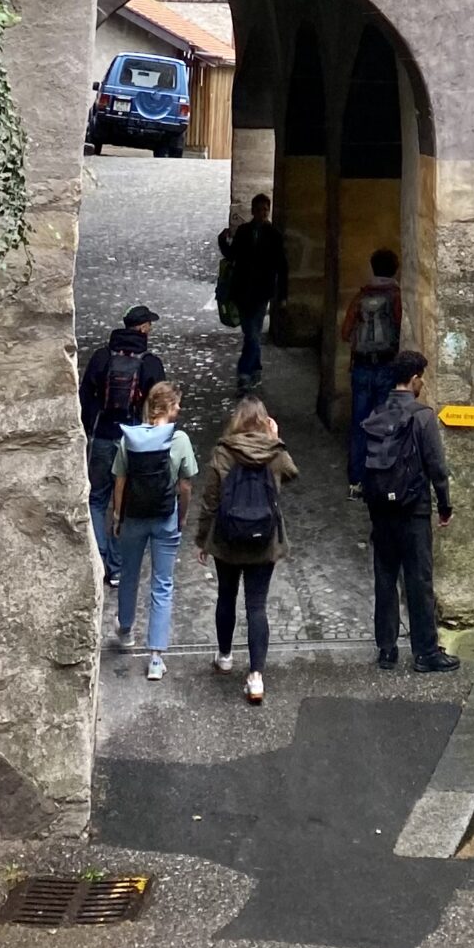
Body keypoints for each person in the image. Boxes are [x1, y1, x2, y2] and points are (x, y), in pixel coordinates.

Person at [193, 393, 297, 705]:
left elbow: (210, 500)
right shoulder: (274, 453)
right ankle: (255, 677)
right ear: (265, 421)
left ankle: (225, 656)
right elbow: (292, 473)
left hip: (227, 539)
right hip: (264, 540)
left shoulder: (223, 452)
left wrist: (202, 540)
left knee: (226, 596)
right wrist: (276, 439)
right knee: (257, 606)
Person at [360, 349, 459, 674]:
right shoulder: (423, 416)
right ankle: (426, 652)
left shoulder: (376, 412)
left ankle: (387, 650)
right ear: (414, 379)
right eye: (422, 379)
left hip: (381, 510)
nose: (422, 384)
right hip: (413, 509)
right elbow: (436, 466)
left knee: (385, 577)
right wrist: (444, 505)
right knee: (419, 580)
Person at [109, 380, 199, 680]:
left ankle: (125, 629)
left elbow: (119, 481)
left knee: (129, 574)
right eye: (177, 404)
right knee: (163, 583)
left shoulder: (130, 439)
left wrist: (117, 516)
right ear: (168, 407)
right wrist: (182, 516)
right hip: (165, 517)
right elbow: (185, 485)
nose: (180, 409)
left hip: (134, 518)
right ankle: (156, 659)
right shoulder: (179, 440)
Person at [78, 305, 164, 586]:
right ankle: (115, 568)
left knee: (96, 499)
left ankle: (98, 556)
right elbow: (159, 405)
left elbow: (85, 396)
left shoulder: (101, 357)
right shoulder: (150, 363)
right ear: (142, 328)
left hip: (103, 435)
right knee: (124, 503)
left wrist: (88, 428)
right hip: (134, 440)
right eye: (149, 325)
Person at [340, 247, 403, 493]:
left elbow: (345, 332)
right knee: (385, 423)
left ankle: (356, 481)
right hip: (386, 366)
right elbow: (401, 329)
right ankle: (381, 479)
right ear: (395, 269)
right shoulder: (396, 297)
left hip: (362, 367)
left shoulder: (361, 296)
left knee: (359, 424)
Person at [221, 195, 287, 390]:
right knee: (252, 334)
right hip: (242, 291)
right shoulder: (243, 231)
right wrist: (222, 241)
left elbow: (282, 266)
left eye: (265, 210)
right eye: (259, 210)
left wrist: (282, 295)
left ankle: (244, 373)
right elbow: (232, 256)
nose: (262, 213)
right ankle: (256, 368)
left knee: (252, 334)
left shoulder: (274, 234)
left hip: (261, 293)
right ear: (253, 211)